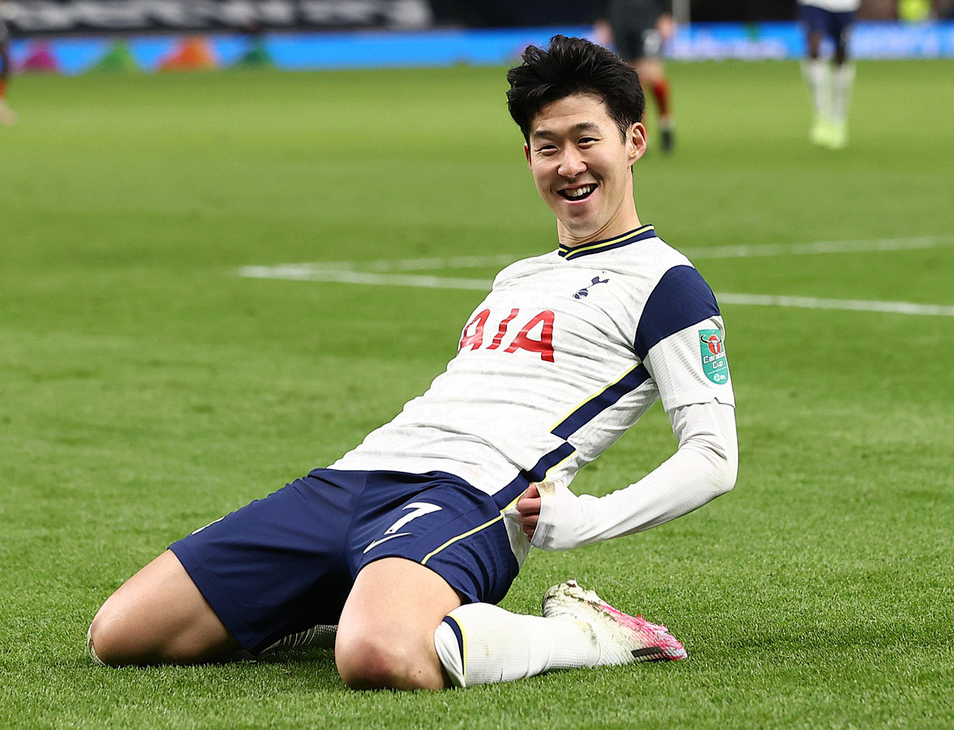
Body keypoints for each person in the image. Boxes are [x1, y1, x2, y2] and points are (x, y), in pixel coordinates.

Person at [87, 35, 738, 691]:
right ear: (528, 156)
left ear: (633, 141)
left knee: (379, 657)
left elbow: (713, 456)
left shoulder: (666, 283)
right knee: (121, 636)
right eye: (548, 146)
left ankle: (587, 632)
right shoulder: (516, 277)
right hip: (357, 477)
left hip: (473, 495)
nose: (568, 163)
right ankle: (342, 596)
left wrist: (588, 518)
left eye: (586, 139)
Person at [594, 0, 676, 152]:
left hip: (647, 15)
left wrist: (666, 15)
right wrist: (603, 20)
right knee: (632, 81)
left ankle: (666, 124)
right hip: (620, 18)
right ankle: (641, 133)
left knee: (653, 76)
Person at [798, 0, 860, 149]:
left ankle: (838, 118)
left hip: (845, 5)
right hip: (813, 3)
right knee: (814, 45)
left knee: (841, 56)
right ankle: (821, 115)